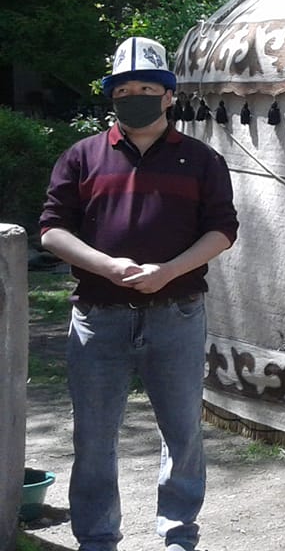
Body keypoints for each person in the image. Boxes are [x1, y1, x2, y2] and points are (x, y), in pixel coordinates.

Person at [40, 36, 239, 551]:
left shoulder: (201, 160)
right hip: (98, 316)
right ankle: (97, 540)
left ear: (168, 96)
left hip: (176, 314)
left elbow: (222, 230)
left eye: (147, 89)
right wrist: (108, 267)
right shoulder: (82, 157)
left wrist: (168, 271)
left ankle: (178, 535)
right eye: (124, 90)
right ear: (112, 96)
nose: (135, 98)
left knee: (182, 431)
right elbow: (52, 231)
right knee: (93, 436)